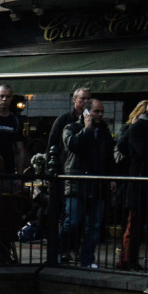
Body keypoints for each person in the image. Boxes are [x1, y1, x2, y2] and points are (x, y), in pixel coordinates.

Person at [60, 98, 117, 268]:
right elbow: (73, 145)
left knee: (94, 225)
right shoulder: (71, 127)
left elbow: (108, 157)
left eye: (101, 112)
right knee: (73, 221)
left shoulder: (104, 132)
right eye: (96, 111)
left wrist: (112, 177)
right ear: (86, 112)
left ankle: (87, 258)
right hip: (77, 182)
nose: (100, 115)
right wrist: (87, 129)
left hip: (97, 183)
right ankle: (61, 251)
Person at [117, 98, 148, 270]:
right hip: (141, 183)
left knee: (141, 225)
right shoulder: (141, 128)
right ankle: (127, 260)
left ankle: (129, 259)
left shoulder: (141, 128)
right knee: (135, 225)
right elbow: (143, 151)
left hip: (144, 184)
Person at [47, 87, 91, 167]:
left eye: (88, 99)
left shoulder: (93, 120)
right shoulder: (63, 120)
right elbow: (52, 143)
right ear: (74, 99)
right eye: (83, 98)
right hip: (65, 165)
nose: (86, 101)